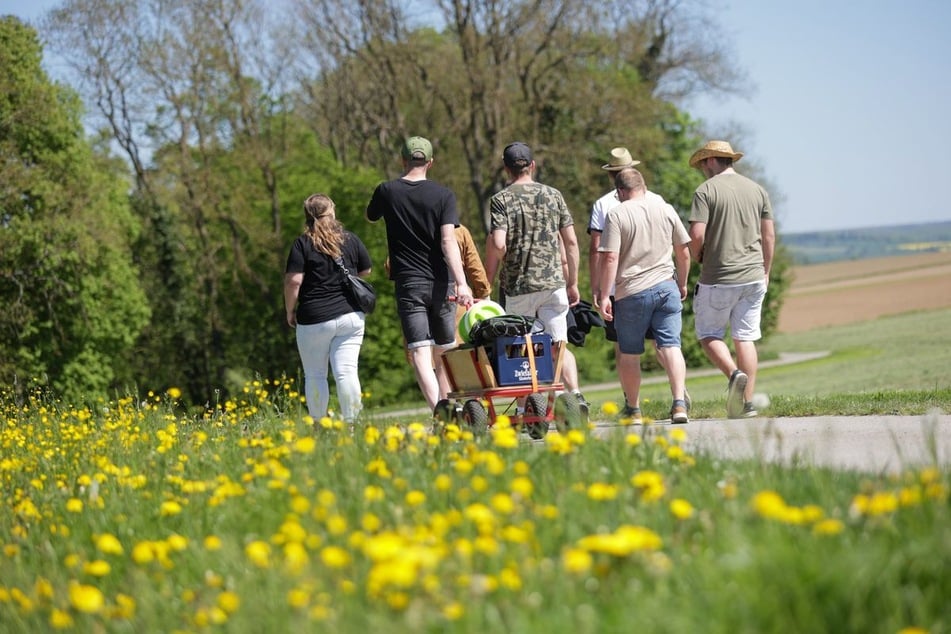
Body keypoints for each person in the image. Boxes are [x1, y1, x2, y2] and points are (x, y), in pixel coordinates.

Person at [366, 136, 473, 412]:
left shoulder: (387, 191)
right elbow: (448, 241)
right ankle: (451, 407)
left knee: (419, 352)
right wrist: (462, 283)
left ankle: (440, 411)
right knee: (445, 350)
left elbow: (371, 215)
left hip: (409, 282)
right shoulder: (444, 195)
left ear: (402, 160)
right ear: (431, 162)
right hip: (443, 282)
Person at [588, 147, 690, 416]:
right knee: (670, 346)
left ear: (620, 191)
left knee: (630, 353)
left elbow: (609, 257)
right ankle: (679, 403)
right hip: (667, 287)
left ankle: (633, 409)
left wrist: (603, 296)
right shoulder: (665, 208)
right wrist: (682, 283)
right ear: (643, 185)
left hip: (632, 292)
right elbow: (684, 251)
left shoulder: (616, 214)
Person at [484, 141, 586, 407]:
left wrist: (488, 281)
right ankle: (571, 398)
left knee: (520, 348)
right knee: (557, 344)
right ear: (532, 165)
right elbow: (572, 242)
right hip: (554, 283)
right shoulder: (554, 195)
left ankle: (527, 407)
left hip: (519, 287)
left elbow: (497, 244)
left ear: (506, 169)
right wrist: (573, 282)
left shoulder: (501, 200)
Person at [688, 140, 775, 418]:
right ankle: (745, 404)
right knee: (745, 338)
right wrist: (766, 271)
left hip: (719, 275)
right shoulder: (757, 189)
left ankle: (733, 373)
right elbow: (769, 235)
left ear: (712, 160)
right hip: (753, 275)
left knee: (708, 334)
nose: (702, 168)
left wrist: (697, 255)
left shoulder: (706, 191)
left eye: (703, 163)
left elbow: (697, 235)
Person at [284, 193, 372, 424]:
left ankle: (319, 424)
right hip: (350, 315)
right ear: (332, 212)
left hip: (314, 318)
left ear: (308, 217)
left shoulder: (302, 244)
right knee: (346, 371)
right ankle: (353, 424)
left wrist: (290, 310)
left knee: (315, 374)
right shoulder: (350, 239)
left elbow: (294, 281)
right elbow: (366, 271)